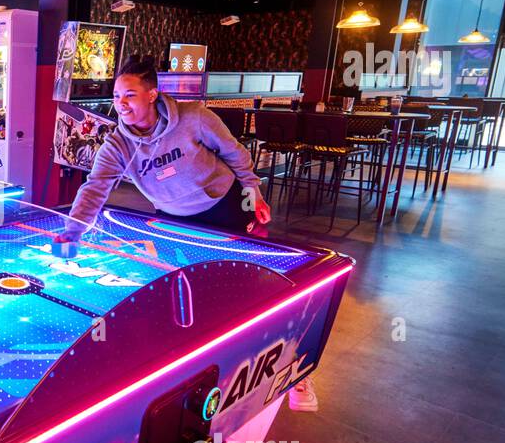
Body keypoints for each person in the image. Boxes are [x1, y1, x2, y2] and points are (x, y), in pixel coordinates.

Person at [54, 56, 317, 412]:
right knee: (186, 294)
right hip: (172, 217)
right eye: (116, 97)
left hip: (225, 207)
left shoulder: (194, 117)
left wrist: (253, 191)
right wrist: (73, 230)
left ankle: (291, 369)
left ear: (152, 94)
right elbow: (95, 186)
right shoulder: (117, 143)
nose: (121, 104)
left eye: (129, 95)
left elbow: (234, 154)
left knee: (246, 291)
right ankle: (204, 376)